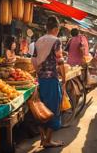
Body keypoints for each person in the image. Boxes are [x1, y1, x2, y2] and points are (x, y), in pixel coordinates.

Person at [32, 16, 66, 148]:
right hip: (51, 79)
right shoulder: (56, 40)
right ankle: (48, 140)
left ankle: (42, 138)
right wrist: (64, 76)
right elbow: (60, 60)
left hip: (41, 79)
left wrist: (38, 71)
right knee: (53, 109)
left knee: (41, 109)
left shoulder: (38, 40)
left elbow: (33, 60)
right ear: (56, 29)